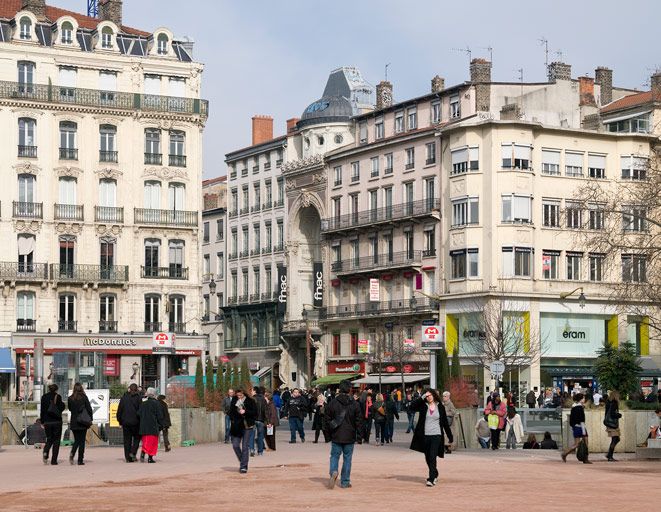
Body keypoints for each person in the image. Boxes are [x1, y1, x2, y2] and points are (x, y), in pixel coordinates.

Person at [409, 389, 453, 487]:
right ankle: (435, 473)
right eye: (427, 396)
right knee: (428, 457)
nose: (428, 397)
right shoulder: (423, 406)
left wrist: (450, 436)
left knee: (433, 456)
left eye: (430, 395)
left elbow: (445, 422)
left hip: (436, 435)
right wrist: (422, 397)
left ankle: (431, 478)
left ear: (434, 395)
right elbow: (412, 407)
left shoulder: (440, 406)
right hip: (425, 435)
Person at [324, 379, 363, 489]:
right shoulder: (355, 404)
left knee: (334, 456)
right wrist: (359, 437)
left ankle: (333, 472)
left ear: (339, 389)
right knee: (347, 459)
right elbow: (359, 422)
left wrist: (327, 436)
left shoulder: (332, 403)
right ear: (350, 389)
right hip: (350, 435)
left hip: (336, 435)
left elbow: (326, 421)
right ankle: (345, 482)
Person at [229, 387, 256, 473]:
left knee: (245, 446)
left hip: (247, 426)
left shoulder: (250, 401)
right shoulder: (234, 401)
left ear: (244, 394)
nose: (239, 397)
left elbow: (255, 413)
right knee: (235, 445)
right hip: (237, 427)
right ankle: (243, 461)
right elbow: (230, 413)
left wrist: (245, 412)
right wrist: (235, 416)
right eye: (237, 395)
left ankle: (243, 466)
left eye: (241, 395)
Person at [67, 382, 93, 465]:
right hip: (83, 422)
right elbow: (89, 409)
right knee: (82, 442)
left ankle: (72, 453)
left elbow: (70, 409)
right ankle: (80, 460)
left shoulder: (70, 398)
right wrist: (90, 419)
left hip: (74, 422)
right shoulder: (84, 397)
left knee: (77, 440)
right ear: (81, 388)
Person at [561, 393, 591, 464]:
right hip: (581, 426)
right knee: (585, 442)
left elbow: (572, 419)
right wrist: (583, 430)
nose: (584, 399)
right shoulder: (580, 408)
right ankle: (585, 458)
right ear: (580, 399)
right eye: (583, 398)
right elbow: (582, 419)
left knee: (576, 444)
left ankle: (565, 453)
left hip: (575, 427)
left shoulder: (574, 407)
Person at [40, 383, 65, 465]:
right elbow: (61, 408)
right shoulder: (58, 397)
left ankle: (46, 452)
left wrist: (42, 421)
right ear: (56, 389)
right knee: (56, 441)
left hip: (47, 422)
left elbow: (42, 410)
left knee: (49, 438)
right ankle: (54, 461)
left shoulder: (44, 397)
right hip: (57, 421)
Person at [117, 383, 142, 462]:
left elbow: (119, 411)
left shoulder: (124, 398)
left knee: (127, 440)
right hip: (136, 422)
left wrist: (120, 421)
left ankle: (128, 458)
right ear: (136, 389)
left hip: (125, 422)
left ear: (129, 389)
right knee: (137, 438)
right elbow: (140, 411)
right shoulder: (139, 398)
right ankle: (133, 452)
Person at [138, 387, 163, 463]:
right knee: (152, 442)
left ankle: (143, 453)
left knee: (145, 441)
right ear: (154, 394)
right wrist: (161, 425)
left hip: (144, 426)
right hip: (153, 426)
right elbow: (160, 416)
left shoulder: (143, 404)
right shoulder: (157, 404)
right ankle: (150, 458)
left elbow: (138, 413)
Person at [603, 390, 622, 462]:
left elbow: (607, 413)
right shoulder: (614, 403)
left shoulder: (608, 402)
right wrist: (619, 415)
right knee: (615, 439)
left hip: (609, 423)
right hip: (612, 424)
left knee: (616, 439)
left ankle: (609, 455)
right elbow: (612, 414)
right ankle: (610, 456)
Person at [251, 386, 267, 456]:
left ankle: (252, 449)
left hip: (253, 420)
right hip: (261, 420)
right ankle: (260, 451)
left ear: (255, 391)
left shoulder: (251, 399)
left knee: (251, 435)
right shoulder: (263, 399)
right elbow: (265, 410)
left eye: (251, 390)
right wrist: (267, 420)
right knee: (260, 436)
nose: (251, 392)